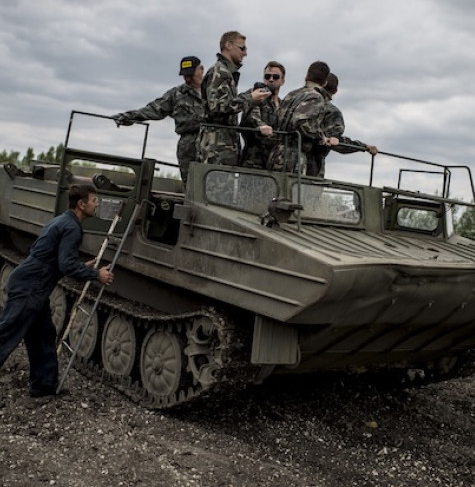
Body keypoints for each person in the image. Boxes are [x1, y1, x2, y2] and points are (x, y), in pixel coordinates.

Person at [0, 185, 114, 397]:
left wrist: (83, 267)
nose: (96, 204)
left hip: (32, 284)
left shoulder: (61, 220)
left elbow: (44, 254)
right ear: (81, 204)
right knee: (7, 333)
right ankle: (43, 385)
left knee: (43, 335)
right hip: (30, 287)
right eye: (94, 200)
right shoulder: (72, 228)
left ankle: (43, 387)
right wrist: (97, 275)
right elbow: (66, 265)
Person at [112, 56, 204, 186]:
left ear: (201, 70)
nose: (187, 79)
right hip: (189, 146)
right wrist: (129, 116)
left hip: (214, 146)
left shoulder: (215, 92)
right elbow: (154, 109)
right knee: (192, 187)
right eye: (184, 76)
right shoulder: (177, 94)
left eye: (190, 74)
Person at [197, 31, 271, 166]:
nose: (245, 53)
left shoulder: (226, 73)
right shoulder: (219, 72)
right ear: (228, 45)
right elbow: (218, 107)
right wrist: (250, 98)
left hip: (224, 146)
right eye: (242, 48)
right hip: (217, 149)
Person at [267, 61, 338, 174]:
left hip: (275, 152)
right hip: (294, 158)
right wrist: (322, 137)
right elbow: (302, 123)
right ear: (324, 83)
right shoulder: (316, 97)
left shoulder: (291, 94)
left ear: (306, 76)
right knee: (291, 191)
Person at [308, 73, 378, 177]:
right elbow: (337, 143)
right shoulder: (331, 112)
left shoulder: (300, 102)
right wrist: (364, 147)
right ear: (335, 91)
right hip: (310, 171)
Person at [239, 61, 286, 169]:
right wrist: (261, 126)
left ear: (282, 81)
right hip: (253, 161)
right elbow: (252, 115)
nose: (271, 79)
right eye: (267, 76)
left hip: (273, 162)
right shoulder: (257, 95)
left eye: (275, 77)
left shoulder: (283, 105)